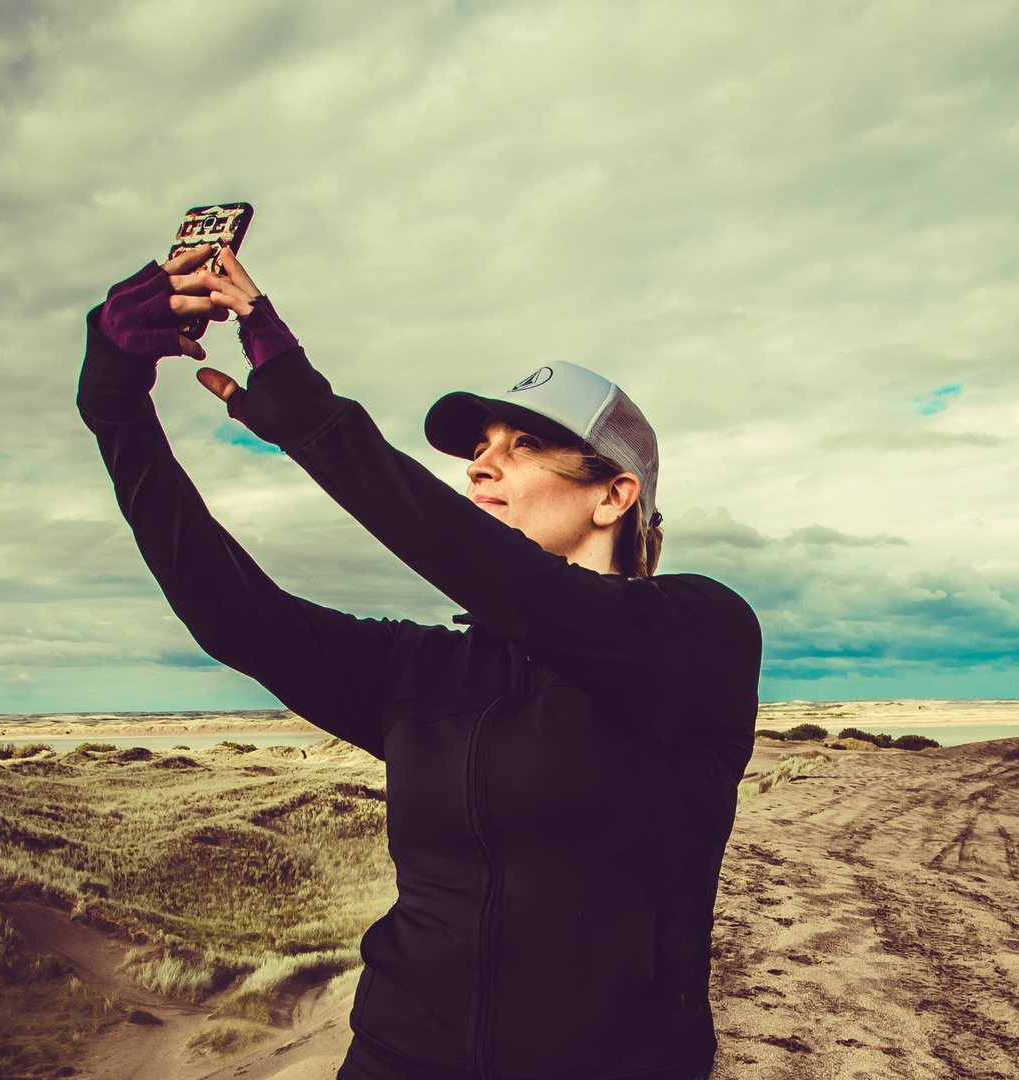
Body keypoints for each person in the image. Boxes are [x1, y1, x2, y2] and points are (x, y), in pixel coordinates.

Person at [76, 240, 762, 1080]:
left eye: (521, 447)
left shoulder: (699, 636)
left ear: (614, 494)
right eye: (481, 447)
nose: (481, 466)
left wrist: (304, 411)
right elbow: (233, 616)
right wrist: (114, 398)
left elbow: (519, 590)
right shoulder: (425, 672)